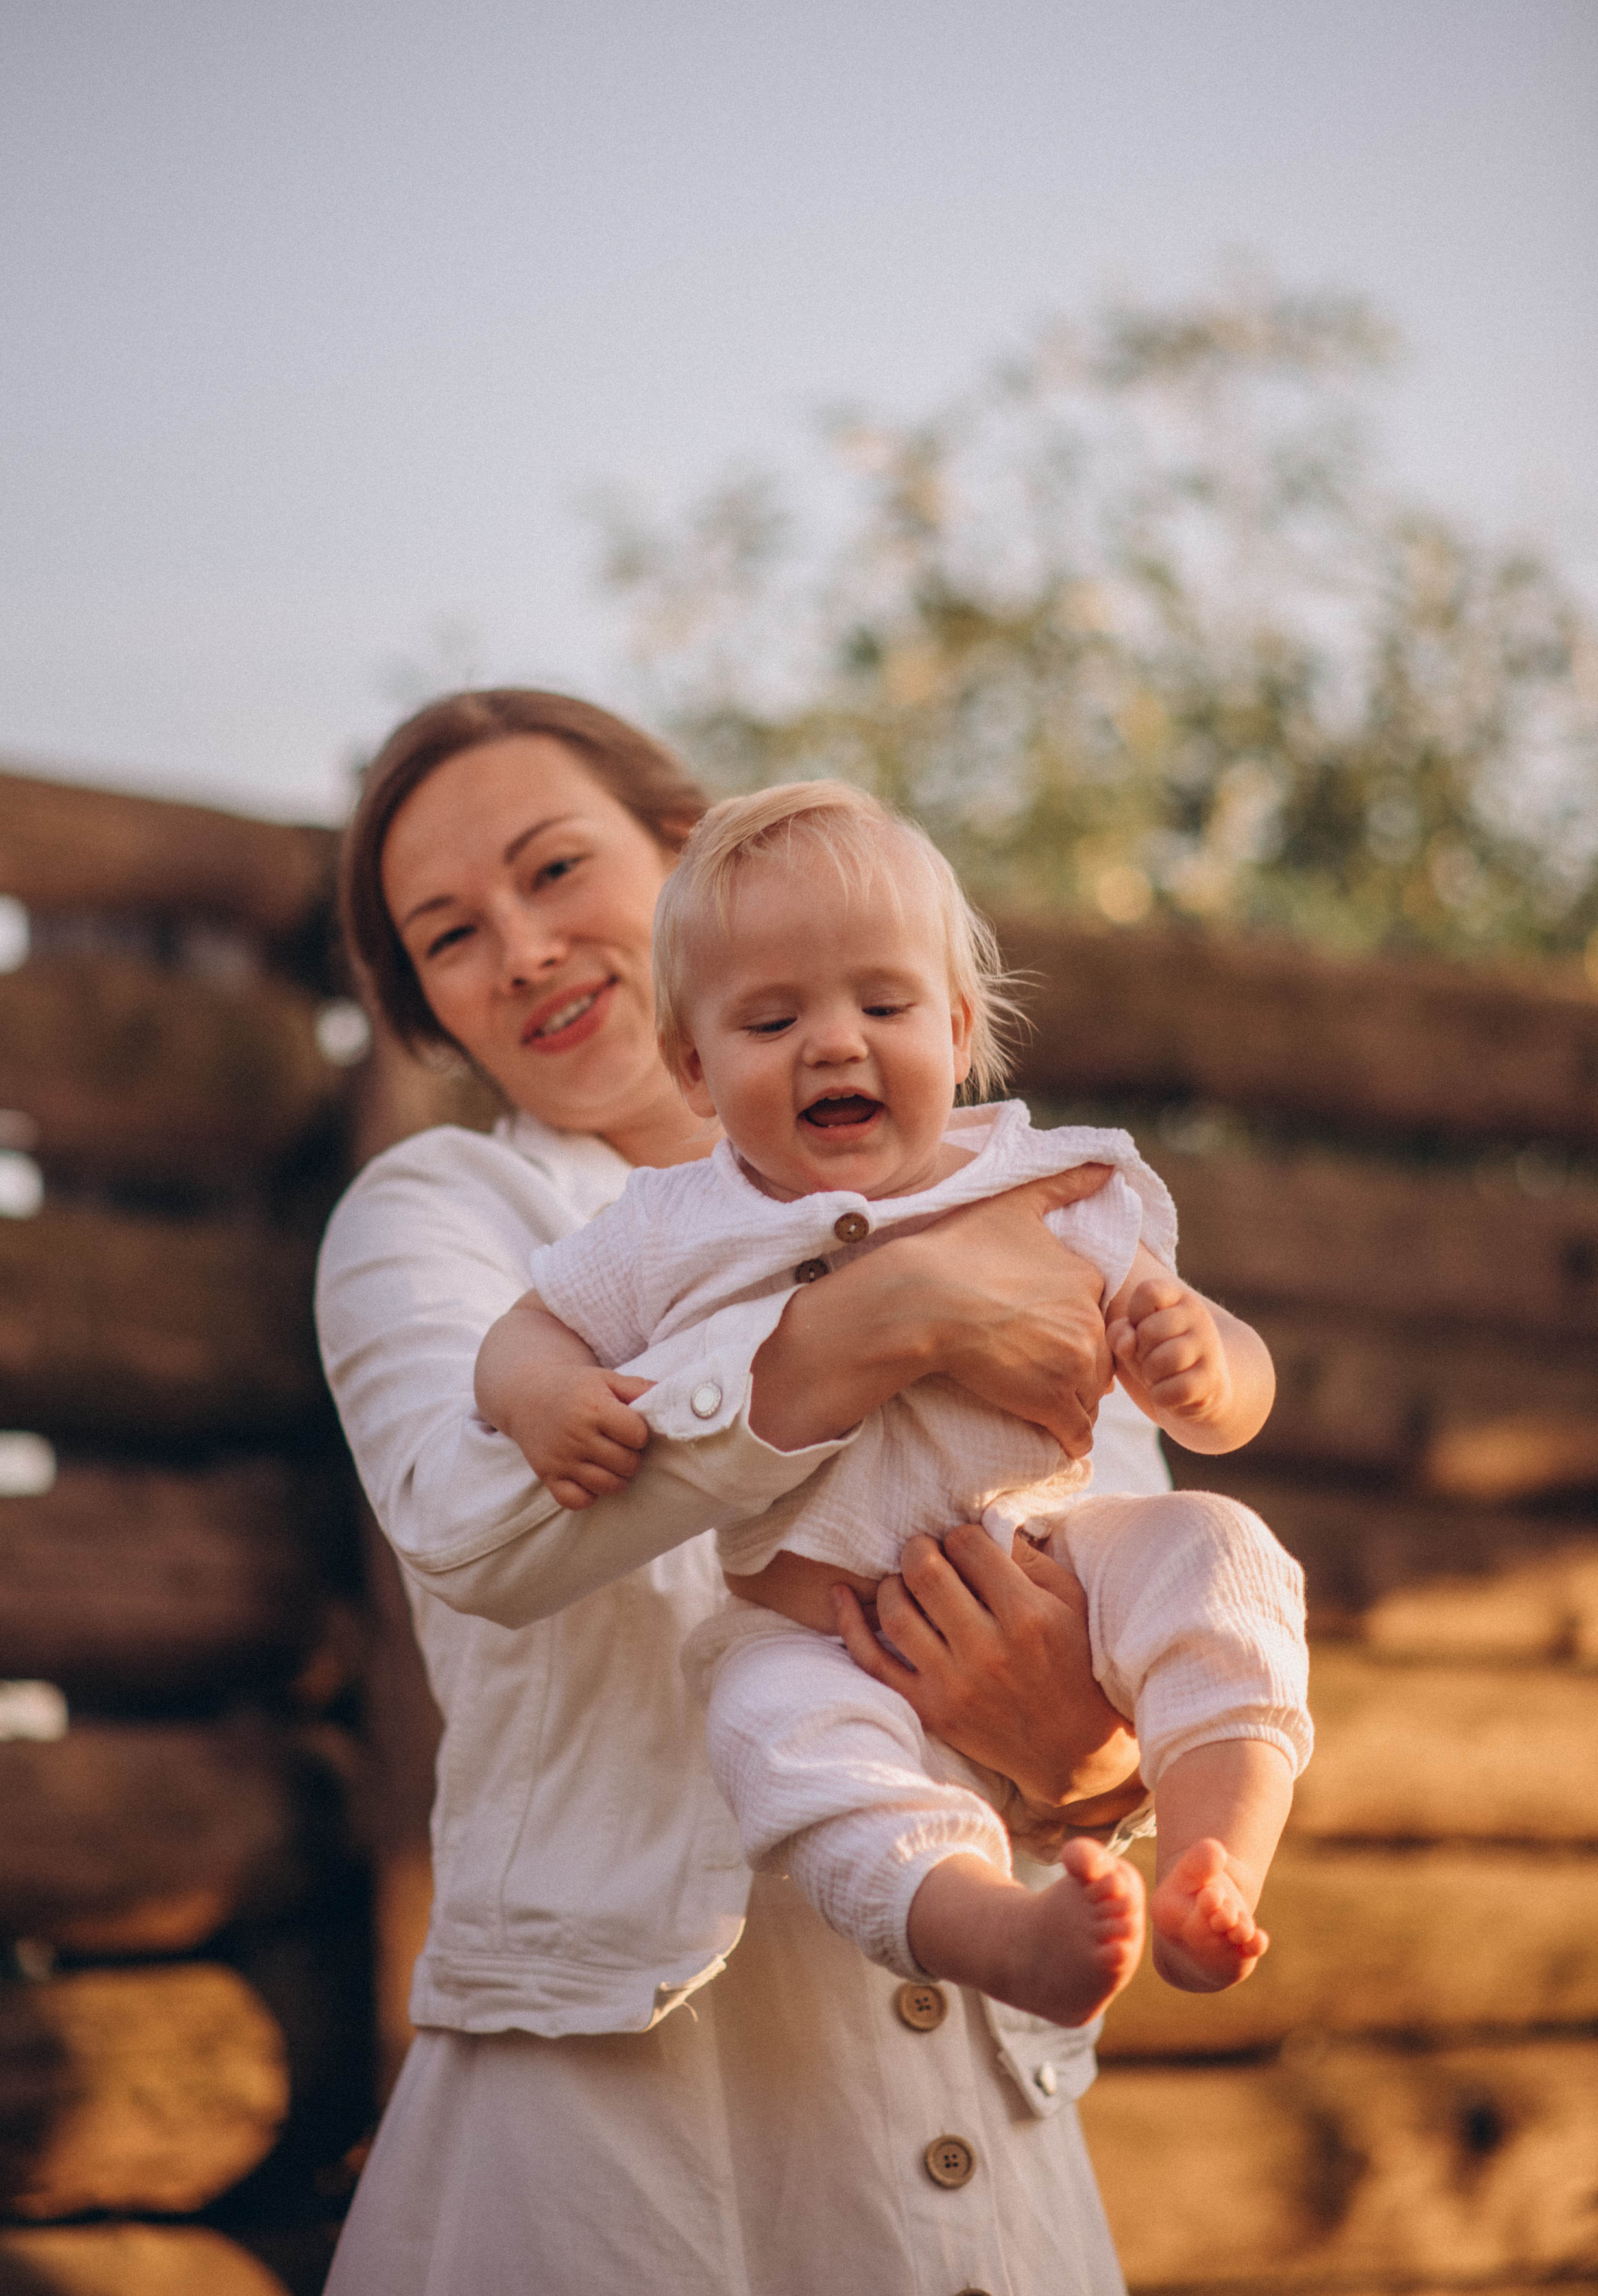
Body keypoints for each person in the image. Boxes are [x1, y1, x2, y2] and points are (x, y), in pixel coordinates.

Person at [317, 690, 1189, 2294]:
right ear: (432, 1010)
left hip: (959, 2103)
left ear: (685, 852)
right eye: (447, 936)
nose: (517, 947)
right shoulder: (445, 1213)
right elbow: (470, 1528)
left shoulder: (1005, 1190)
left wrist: (1094, 1761)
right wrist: (877, 1322)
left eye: (553, 869)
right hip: (619, 2121)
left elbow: (1112, 1565)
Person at [476, 781, 1311, 2037]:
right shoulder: (669, 1226)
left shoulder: (1048, 1184)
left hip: (1046, 1567)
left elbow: (1221, 1393)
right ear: (691, 1069)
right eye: (769, 1020)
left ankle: (1214, 1863)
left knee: (1217, 1550)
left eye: (882, 1003)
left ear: (960, 1025)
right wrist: (543, 1393)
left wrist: (1206, 1362)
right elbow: (524, 1330)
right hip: (813, 1630)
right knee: (777, 1739)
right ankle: (996, 1933)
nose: (832, 1042)